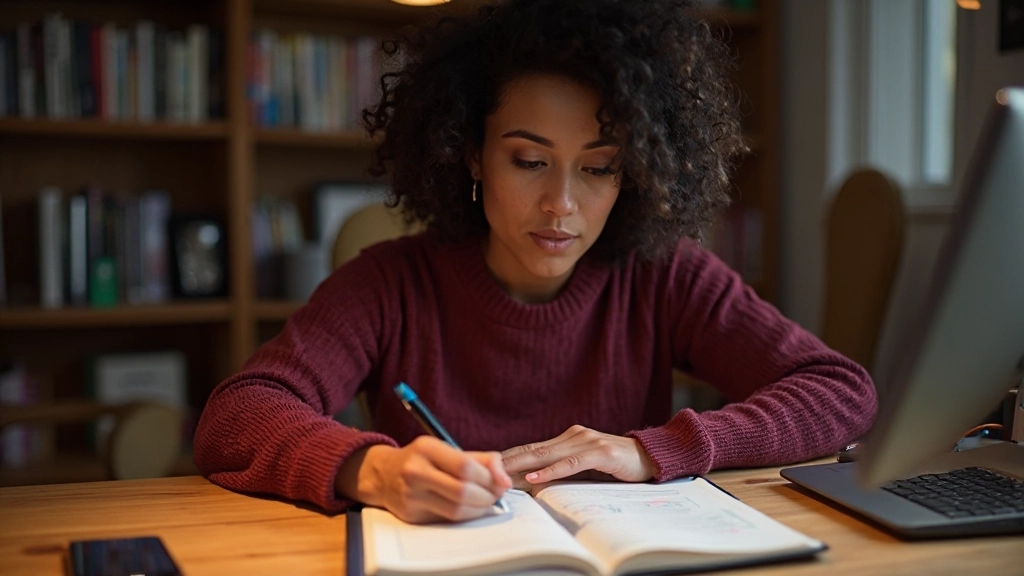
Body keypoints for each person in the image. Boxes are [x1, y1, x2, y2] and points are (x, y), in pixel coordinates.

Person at [194, 0, 877, 524]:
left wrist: (651, 449)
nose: (561, 205)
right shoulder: (390, 284)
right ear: (471, 154)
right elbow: (237, 415)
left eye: (599, 168)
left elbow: (840, 391)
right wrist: (374, 470)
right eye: (529, 160)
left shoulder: (663, 277)